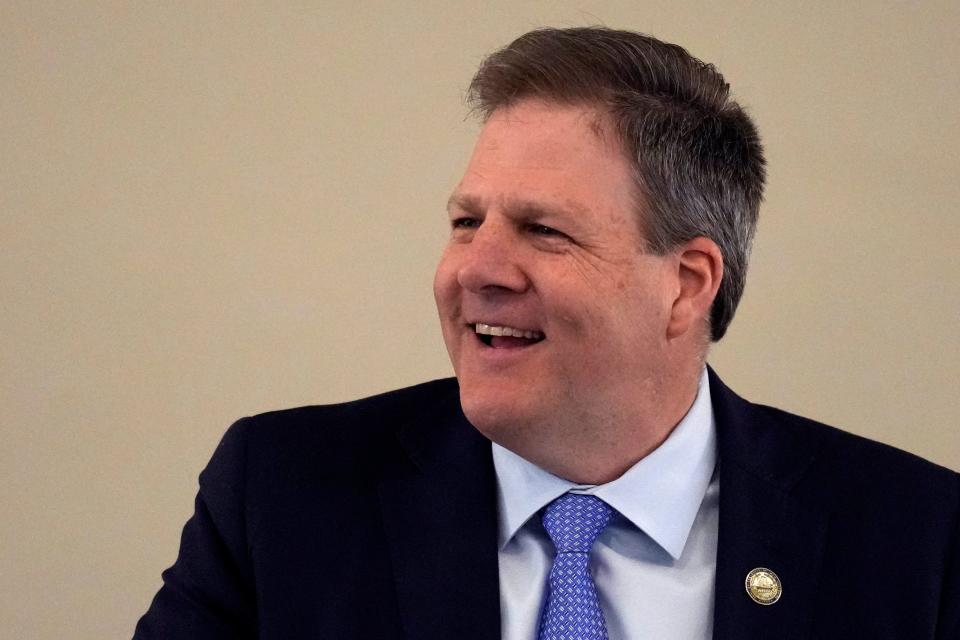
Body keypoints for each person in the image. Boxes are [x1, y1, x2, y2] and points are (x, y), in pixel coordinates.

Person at [134, 27, 959, 639]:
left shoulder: (916, 540)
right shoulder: (284, 496)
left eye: (543, 231)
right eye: (465, 221)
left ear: (686, 284)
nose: (475, 269)